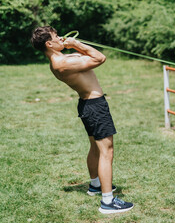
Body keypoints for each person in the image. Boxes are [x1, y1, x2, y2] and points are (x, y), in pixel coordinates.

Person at [31, 26, 133, 214]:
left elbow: (85, 58)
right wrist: (76, 44)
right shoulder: (61, 63)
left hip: (89, 105)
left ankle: (95, 185)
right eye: (56, 36)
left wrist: (74, 47)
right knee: (106, 151)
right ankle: (108, 202)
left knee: (95, 147)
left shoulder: (59, 60)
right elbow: (99, 58)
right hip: (95, 106)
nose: (61, 38)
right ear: (49, 43)